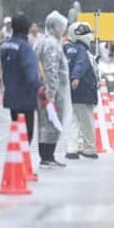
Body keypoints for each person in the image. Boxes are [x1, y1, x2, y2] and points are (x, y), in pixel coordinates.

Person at [0, 14, 46, 144]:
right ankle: (22, 161)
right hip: (25, 96)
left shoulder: (5, 46)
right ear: (25, 28)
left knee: (16, 129)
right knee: (27, 134)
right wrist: (40, 89)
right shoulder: (25, 48)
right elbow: (31, 74)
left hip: (10, 94)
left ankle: (16, 158)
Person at [36, 11, 72, 168]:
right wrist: (51, 91)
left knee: (46, 123)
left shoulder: (44, 42)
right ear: (55, 27)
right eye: (61, 26)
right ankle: (47, 157)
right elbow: (51, 68)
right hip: (52, 92)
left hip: (46, 90)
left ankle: (46, 156)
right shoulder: (51, 44)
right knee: (52, 123)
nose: (63, 30)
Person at [63, 22, 99, 160]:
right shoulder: (82, 50)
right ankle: (89, 148)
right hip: (84, 90)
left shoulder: (65, 48)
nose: (89, 37)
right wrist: (76, 77)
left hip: (70, 91)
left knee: (74, 121)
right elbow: (81, 64)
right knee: (87, 121)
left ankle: (72, 149)